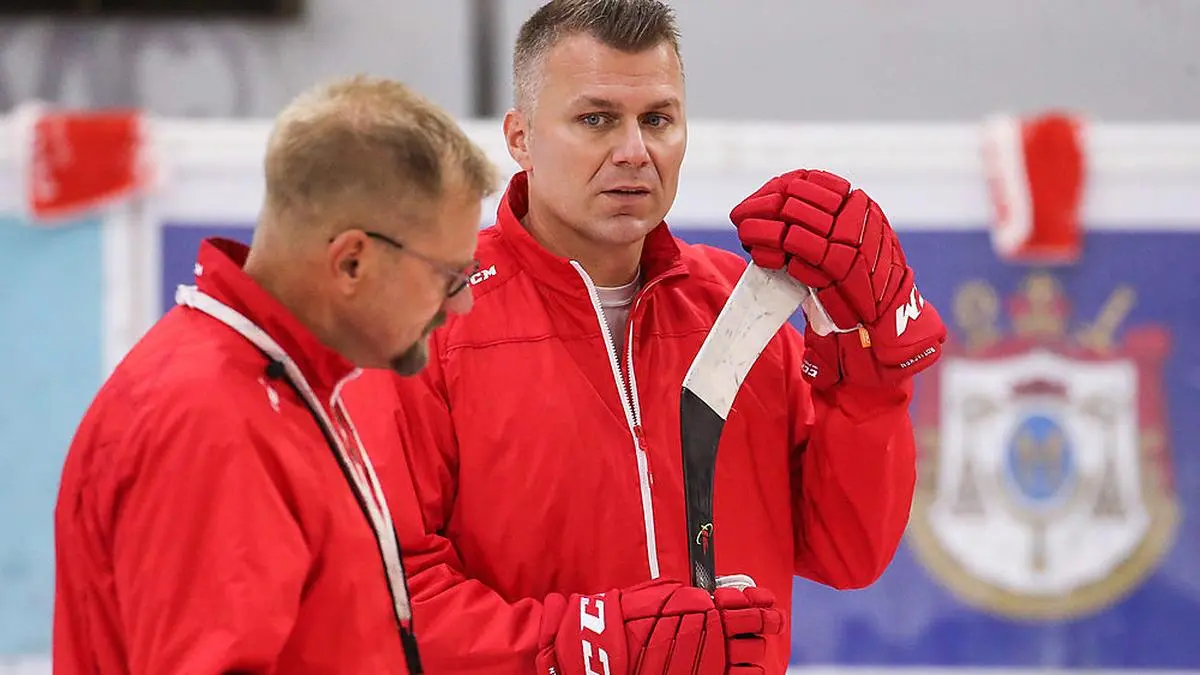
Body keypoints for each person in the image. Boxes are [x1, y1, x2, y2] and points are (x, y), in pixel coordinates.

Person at [344, 1, 948, 673]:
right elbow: (384, 599)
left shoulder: (741, 313)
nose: (634, 151)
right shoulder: (430, 321)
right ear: (519, 137)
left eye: (657, 119)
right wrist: (583, 645)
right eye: (596, 119)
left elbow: (847, 551)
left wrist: (864, 373)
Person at [52, 75, 497, 675]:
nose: (461, 305)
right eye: (450, 276)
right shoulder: (213, 423)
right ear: (352, 261)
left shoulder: (276, 386)